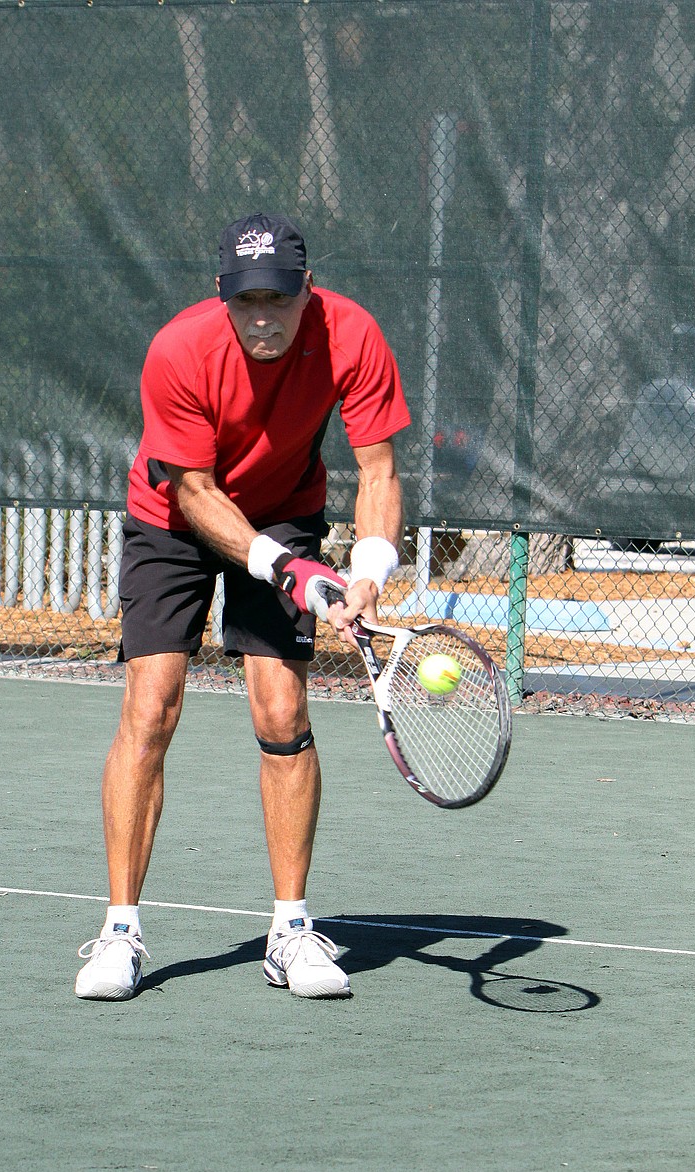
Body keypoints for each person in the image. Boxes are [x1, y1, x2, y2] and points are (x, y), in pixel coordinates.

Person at [75, 212, 410, 1002]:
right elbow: (194, 492)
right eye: (247, 300)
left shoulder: (353, 336)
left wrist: (368, 567)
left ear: (307, 292)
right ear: (220, 293)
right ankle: (120, 931)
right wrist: (284, 569)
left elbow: (379, 468)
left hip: (287, 506)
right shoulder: (180, 350)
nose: (264, 317)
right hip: (173, 515)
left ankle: (291, 930)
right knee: (151, 704)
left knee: (281, 707)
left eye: (280, 300)